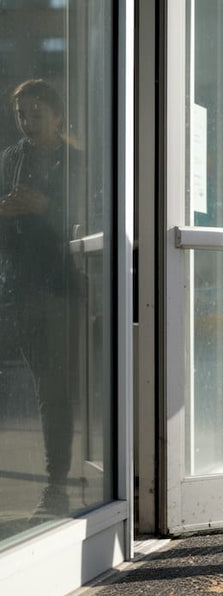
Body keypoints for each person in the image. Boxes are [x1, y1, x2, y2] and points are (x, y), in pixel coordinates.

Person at [0, 79, 80, 520]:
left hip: (62, 285)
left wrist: (46, 207)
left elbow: (88, 220)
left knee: (55, 385)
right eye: (21, 114)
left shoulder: (75, 161)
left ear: (56, 115)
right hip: (21, 285)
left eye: (34, 113)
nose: (27, 122)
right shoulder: (11, 159)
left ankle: (56, 483)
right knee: (43, 383)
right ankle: (57, 481)